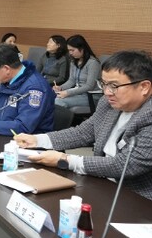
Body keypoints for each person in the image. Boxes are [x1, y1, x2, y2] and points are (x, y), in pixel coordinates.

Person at [15, 50, 152, 200]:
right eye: (104, 84)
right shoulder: (108, 104)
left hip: (137, 198)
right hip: (101, 183)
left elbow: (126, 165)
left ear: (144, 87)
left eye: (114, 85)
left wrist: (66, 160)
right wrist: (37, 140)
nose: (107, 92)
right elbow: (83, 132)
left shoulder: (148, 115)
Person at [54, 34, 101, 109]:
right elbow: (71, 80)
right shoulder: (74, 61)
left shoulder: (93, 63)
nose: (70, 53)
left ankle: (63, 117)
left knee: (58, 101)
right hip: (78, 93)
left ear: (82, 49)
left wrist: (68, 93)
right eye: (69, 50)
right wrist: (61, 88)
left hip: (90, 96)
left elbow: (89, 86)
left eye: (72, 50)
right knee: (51, 97)